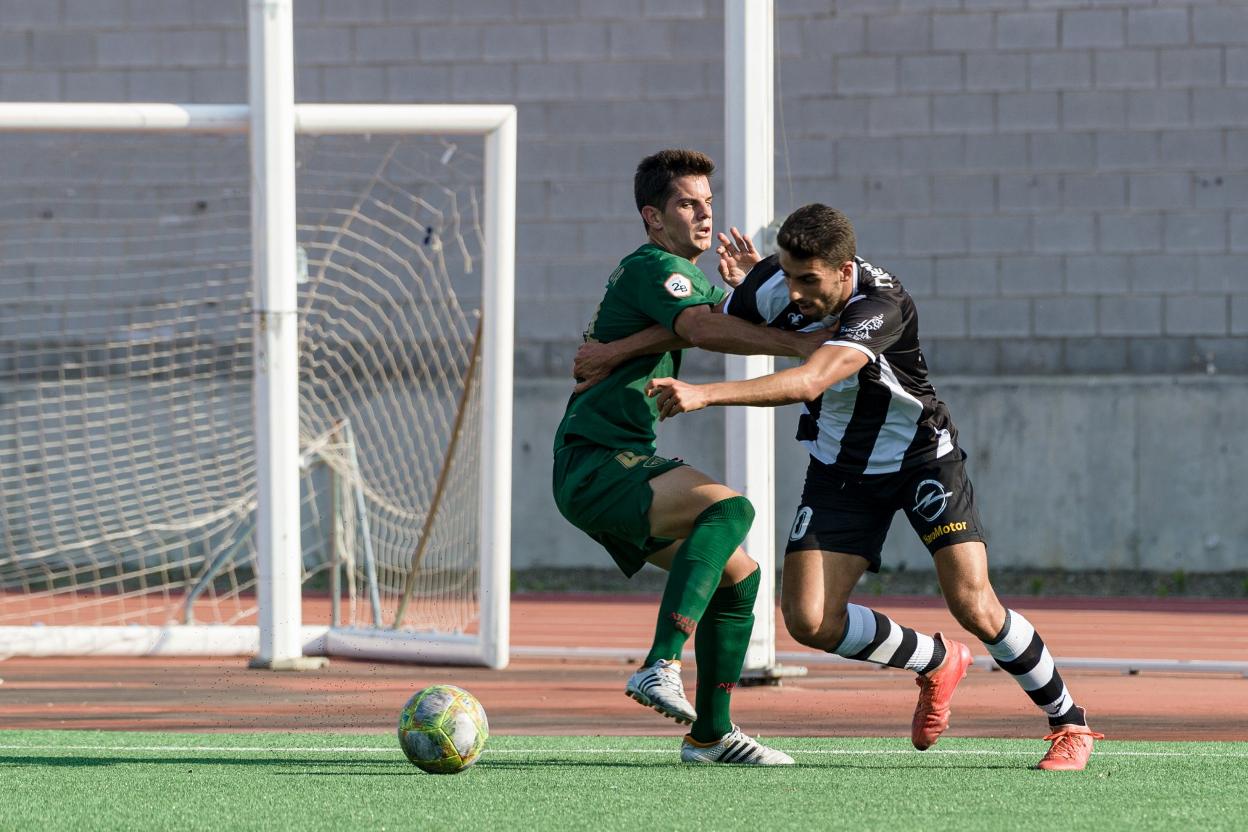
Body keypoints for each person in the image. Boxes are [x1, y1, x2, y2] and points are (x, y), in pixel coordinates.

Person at [604, 203, 1101, 771]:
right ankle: (935, 661)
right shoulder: (776, 283)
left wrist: (705, 394)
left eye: (808, 280)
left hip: (920, 460)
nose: (793, 293)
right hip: (840, 470)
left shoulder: (881, 304)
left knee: (974, 603)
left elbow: (813, 377)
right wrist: (614, 351)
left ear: (845, 271)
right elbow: (698, 323)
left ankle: (1070, 723)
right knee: (809, 620)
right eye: (786, 275)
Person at [552, 149, 828, 766]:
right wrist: (801, 345)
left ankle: (710, 735)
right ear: (653, 217)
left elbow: (699, 322)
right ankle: (659, 664)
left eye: (708, 203)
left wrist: (750, 289)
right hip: (597, 461)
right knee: (730, 511)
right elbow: (702, 329)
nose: (705, 215)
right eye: (687, 204)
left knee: (740, 574)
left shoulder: (683, 278)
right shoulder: (656, 265)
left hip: (608, 464)